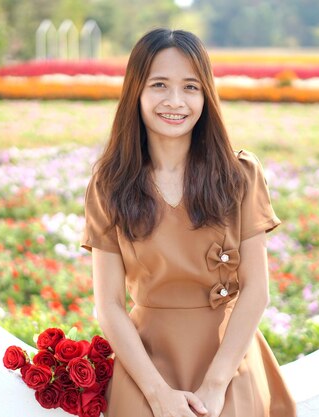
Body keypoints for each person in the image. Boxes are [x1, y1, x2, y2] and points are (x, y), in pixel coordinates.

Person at [81, 28, 296, 417]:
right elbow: (109, 304)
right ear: (136, 92)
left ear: (206, 95)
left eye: (191, 87)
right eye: (159, 84)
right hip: (145, 365)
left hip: (228, 361)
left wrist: (215, 386)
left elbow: (256, 291)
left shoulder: (241, 174)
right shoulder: (109, 182)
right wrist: (157, 394)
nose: (175, 102)